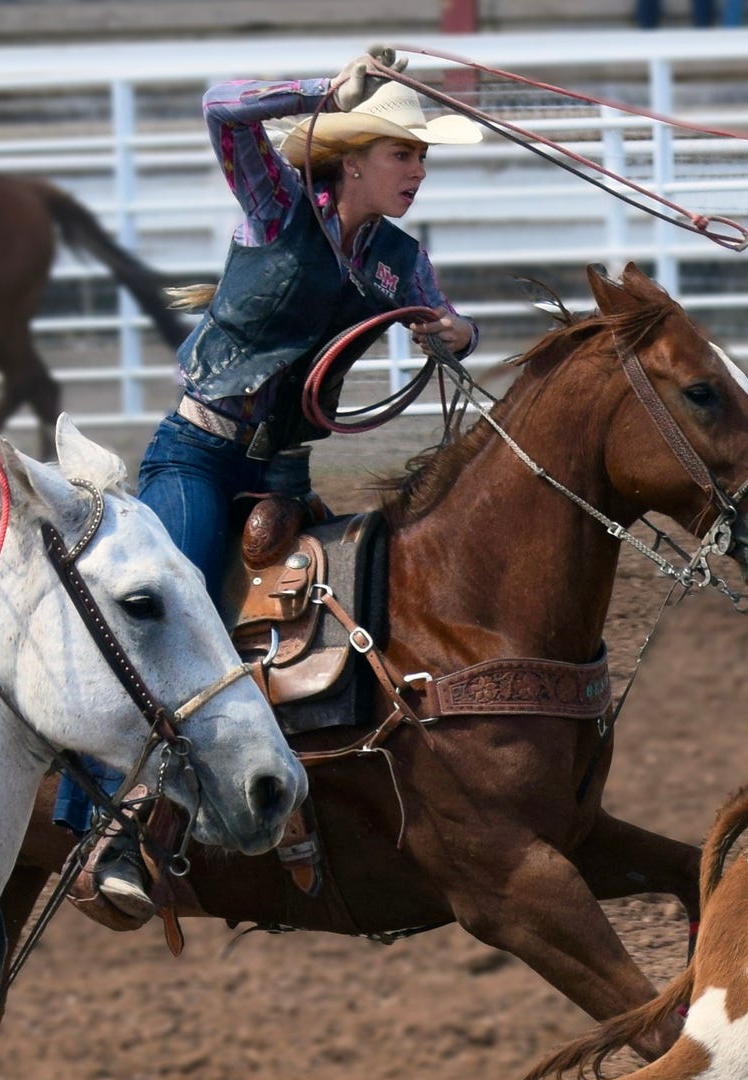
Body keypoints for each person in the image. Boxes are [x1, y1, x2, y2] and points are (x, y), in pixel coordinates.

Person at [55, 48, 481, 927]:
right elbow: (222, 105)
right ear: (353, 157)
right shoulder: (275, 206)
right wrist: (322, 90)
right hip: (201, 455)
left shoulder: (399, 261)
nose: (418, 171)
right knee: (155, 607)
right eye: (405, 154)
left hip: (285, 472)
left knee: (339, 622)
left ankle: (300, 800)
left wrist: (455, 332)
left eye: (423, 157)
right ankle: (104, 824)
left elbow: (450, 322)